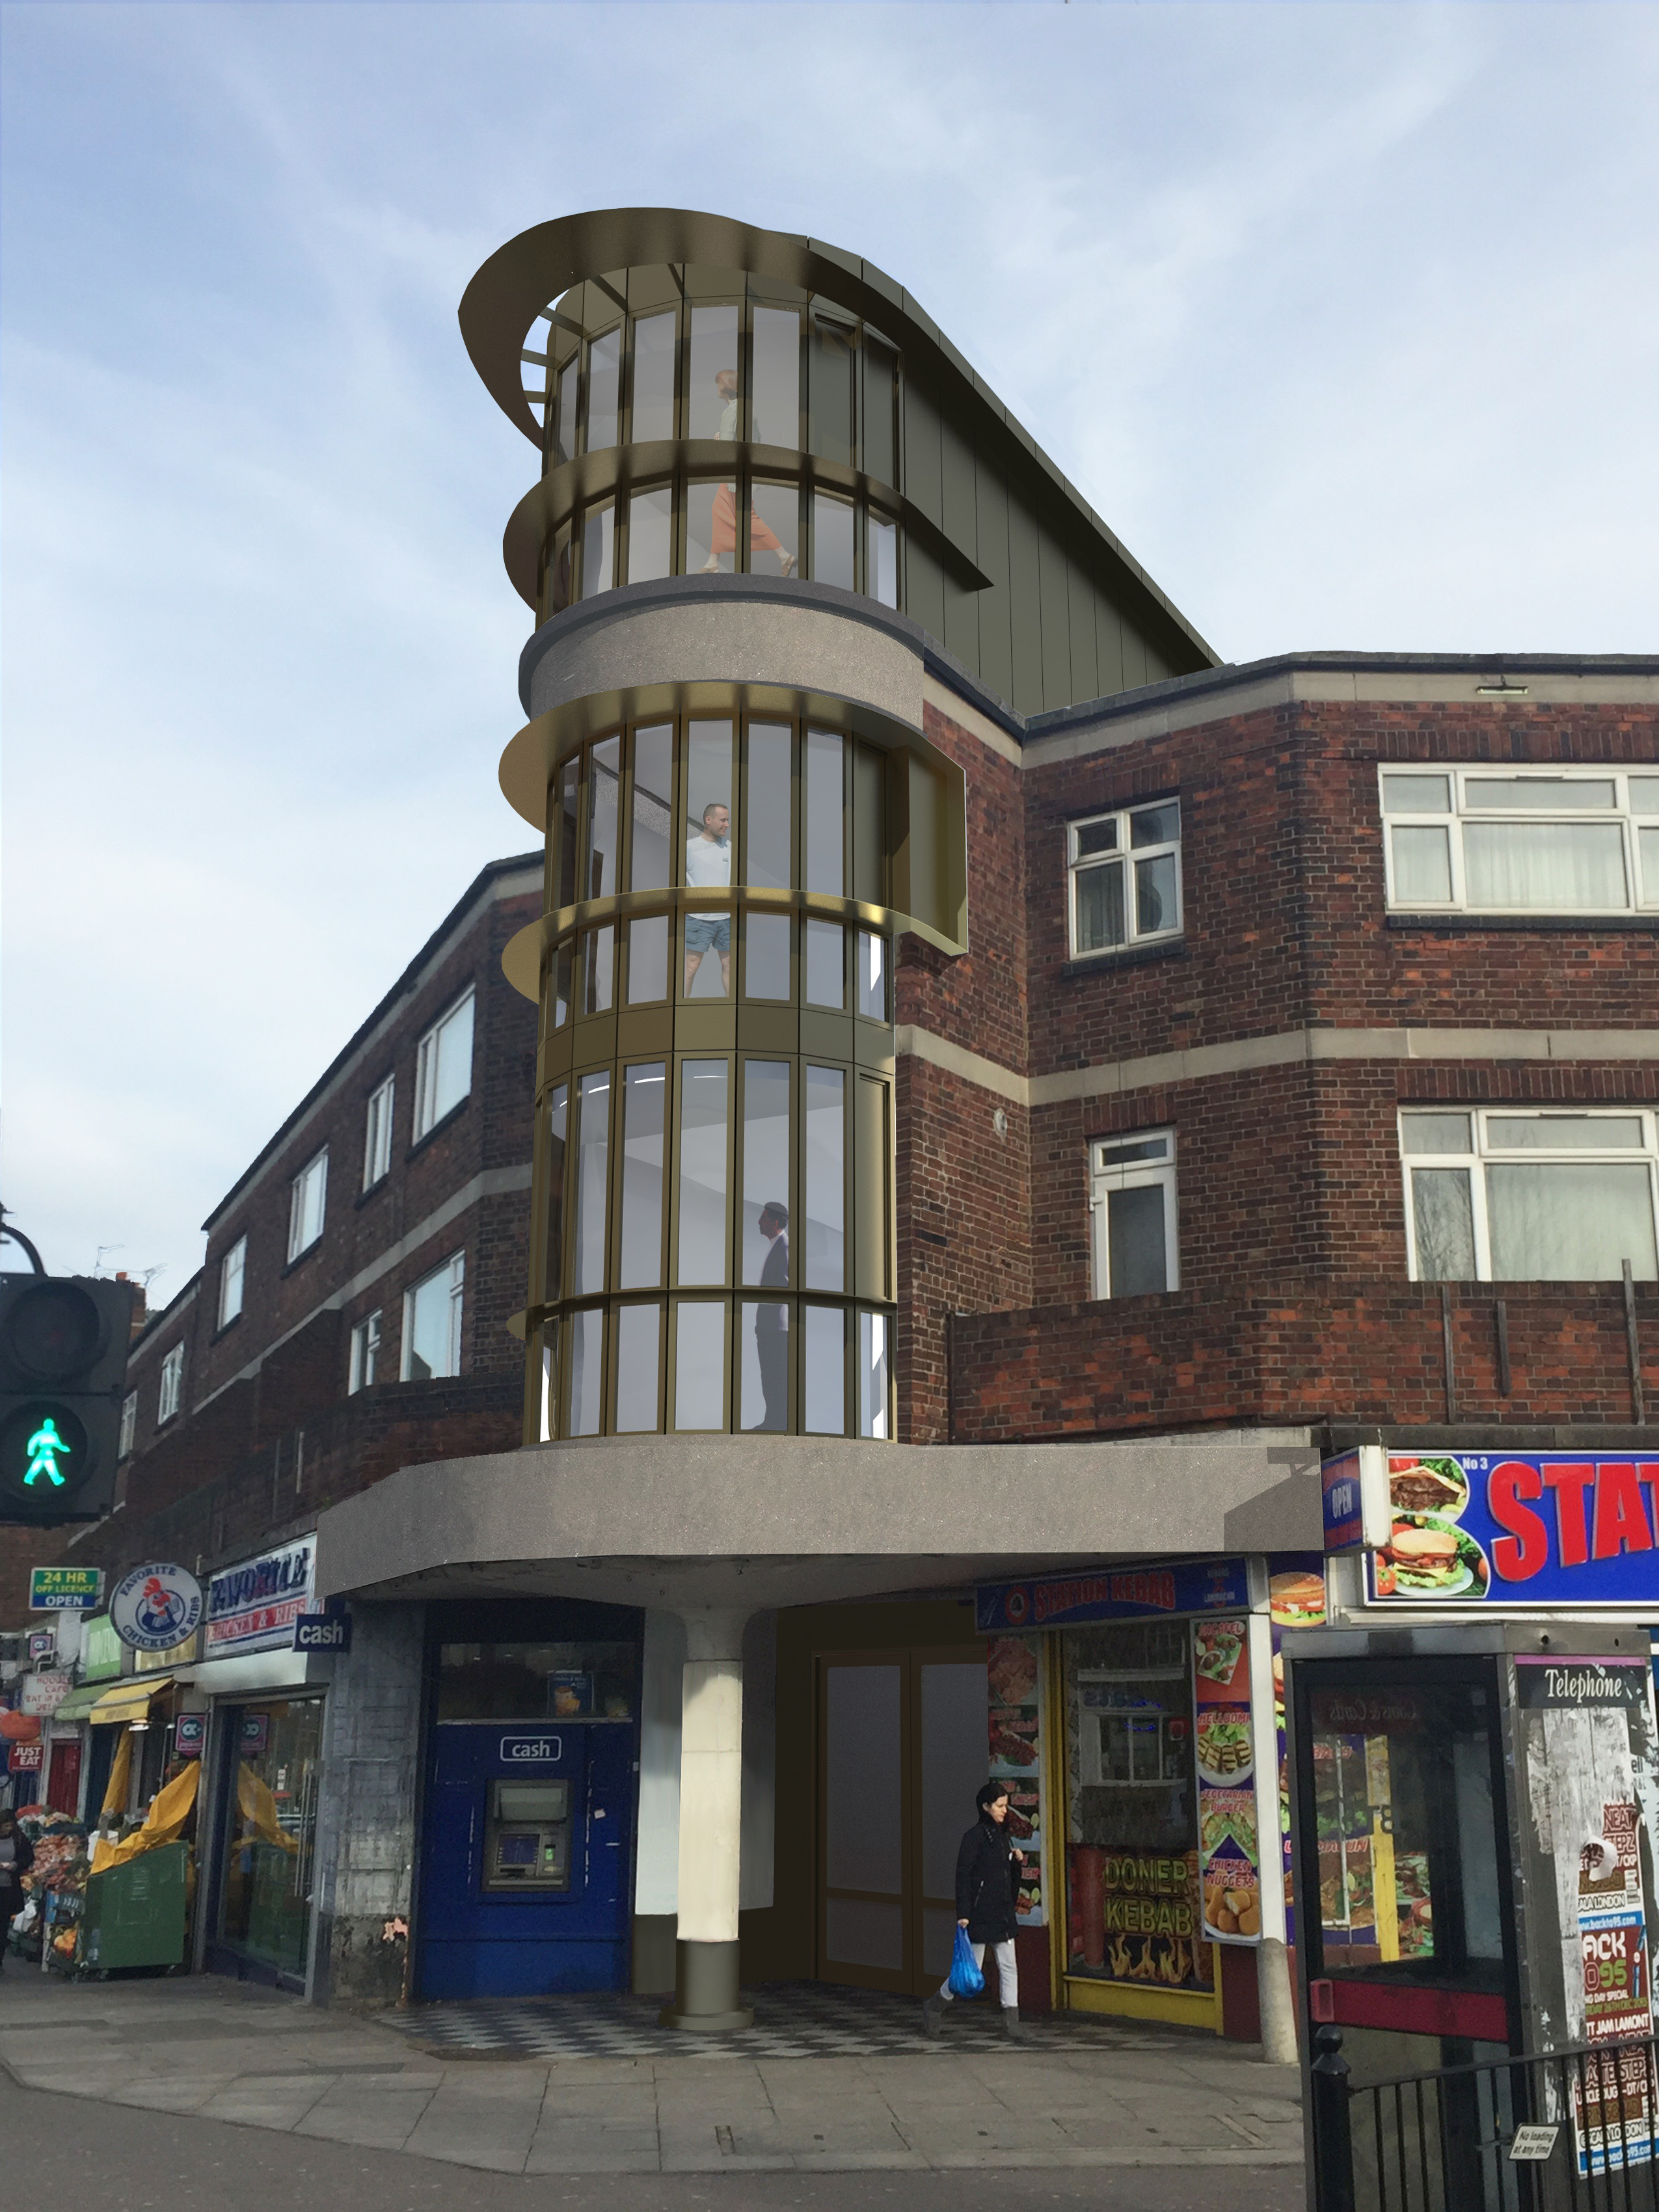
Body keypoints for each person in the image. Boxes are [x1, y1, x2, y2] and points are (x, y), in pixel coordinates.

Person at [923, 1780, 1027, 2041]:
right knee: (969, 1972)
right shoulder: (974, 1837)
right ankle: (935, 2005)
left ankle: (1012, 2023)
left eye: (1006, 1806)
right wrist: (964, 1913)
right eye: (1000, 1806)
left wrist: (1016, 1863)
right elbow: (964, 1876)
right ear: (986, 1807)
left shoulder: (1004, 1837)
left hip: (1003, 1914)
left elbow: (1008, 1880)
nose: (1005, 1811)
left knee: (1009, 1966)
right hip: (979, 1915)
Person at [701, 368, 796, 576]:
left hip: (733, 475)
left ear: (725, 387)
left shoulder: (730, 411)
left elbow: (727, 445)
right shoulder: (749, 409)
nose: (717, 388)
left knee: (747, 517)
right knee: (720, 509)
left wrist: (717, 440)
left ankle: (784, 556)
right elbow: (757, 439)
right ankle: (712, 562)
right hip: (744, 474)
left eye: (718, 384)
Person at [684, 800, 733, 995]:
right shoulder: (689, 848)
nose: (727, 825)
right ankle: (682, 1006)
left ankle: (731, 1007)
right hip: (698, 918)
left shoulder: (729, 847)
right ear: (708, 820)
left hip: (726, 919)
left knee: (730, 967)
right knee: (691, 968)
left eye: (727, 820)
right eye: (723, 820)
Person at [751, 1202, 789, 1430]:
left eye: (763, 1219)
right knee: (769, 1375)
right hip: (768, 1327)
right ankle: (773, 1421)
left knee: (774, 1376)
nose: (759, 1222)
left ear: (775, 1223)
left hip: (776, 1328)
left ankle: (778, 1422)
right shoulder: (776, 1246)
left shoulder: (784, 1247)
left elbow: (786, 1287)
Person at [0, 1807, 35, 1973]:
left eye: (10, 1826)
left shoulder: (19, 1838)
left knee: (2, 1925)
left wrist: (15, 1865)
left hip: (8, 1889)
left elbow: (28, 1857)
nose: (8, 1829)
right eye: (5, 1826)